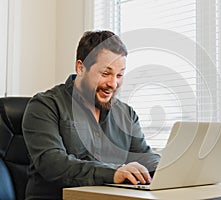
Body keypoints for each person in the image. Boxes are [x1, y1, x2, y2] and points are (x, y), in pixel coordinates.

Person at [22, 30, 161, 200]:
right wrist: (113, 173)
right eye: (105, 73)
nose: (113, 83)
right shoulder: (45, 106)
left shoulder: (127, 114)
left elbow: (145, 158)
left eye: (119, 75)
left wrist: (171, 168)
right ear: (80, 68)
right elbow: (53, 164)